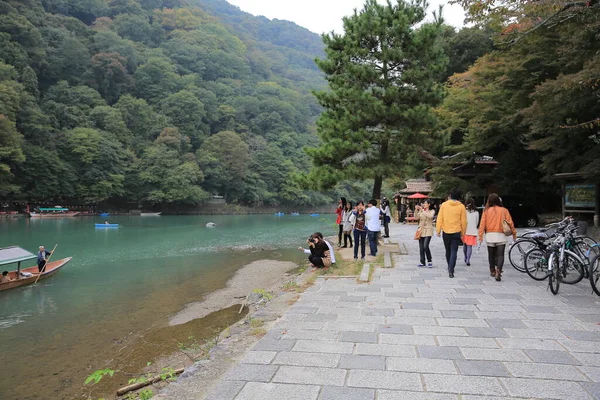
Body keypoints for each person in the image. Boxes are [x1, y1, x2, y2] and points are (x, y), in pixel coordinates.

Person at [478, 193, 517, 281]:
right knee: (500, 255)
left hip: (490, 235)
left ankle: (492, 271)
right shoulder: (504, 210)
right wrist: (514, 234)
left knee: (491, 255)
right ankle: (499, 271)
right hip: (501, 234)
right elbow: (510, 223)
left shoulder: (486, 211)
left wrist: (480, 236)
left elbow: (482, 224)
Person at [436, 189, 467, 278]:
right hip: (457, 231)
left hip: (446, 231)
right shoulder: (461, 206)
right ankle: (451, 269)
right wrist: (463, 232)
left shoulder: (444, 205)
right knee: (454, 250)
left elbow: (440, 218)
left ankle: (449, 265)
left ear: (450, 195)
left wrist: (438, 230)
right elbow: (464, 221)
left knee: (448, 250)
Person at [415, 200, 435, 268]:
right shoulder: (421, 211)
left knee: (425, 246)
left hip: (428, 230)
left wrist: (423, 211)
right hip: (421, 230)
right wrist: (416, 210)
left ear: (429, 204)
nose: (424, 204)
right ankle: (422, 262)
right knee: (421, 247)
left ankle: (429, 260)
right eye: (424, 203)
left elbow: (430, 216)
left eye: (425, 203)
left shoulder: (432, 211)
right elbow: (416, 217)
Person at [463, 198, 479, 266]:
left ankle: (465, 257)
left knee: (465, 245)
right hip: (472, 231)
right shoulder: (476, 212)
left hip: (465, 230)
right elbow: (477, 222)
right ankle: (468, 260)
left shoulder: (464, 211)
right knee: (470, 246)